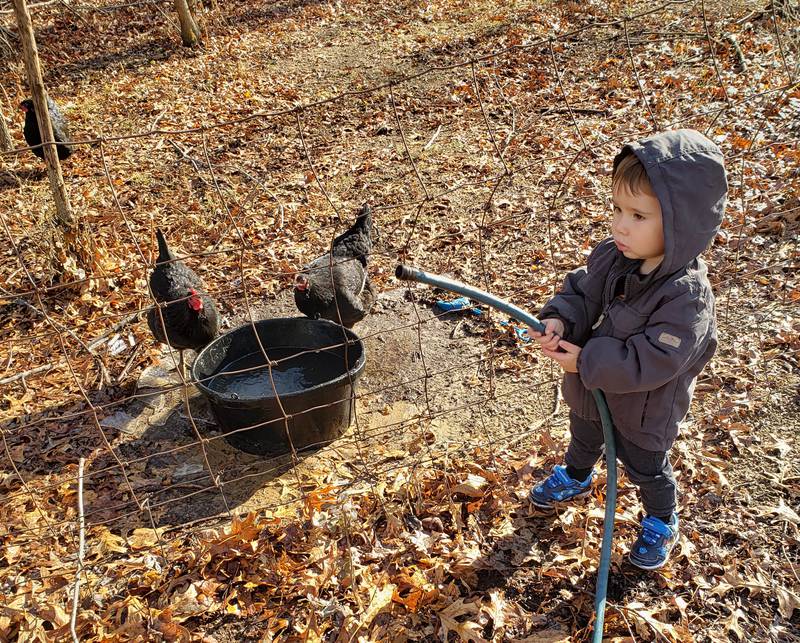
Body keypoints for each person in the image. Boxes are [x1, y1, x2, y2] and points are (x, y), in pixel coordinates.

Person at [528, 129, 727, 570]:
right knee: (583, 436)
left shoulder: (685, 297)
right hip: (590, 389)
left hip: (645, 409)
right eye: (617, 209)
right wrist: (561, 318)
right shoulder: (615, 255)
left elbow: (654, 359)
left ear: (682, 222)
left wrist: (586, 360)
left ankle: (661, 518)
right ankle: (577, 476)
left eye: (639, 215)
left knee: (646, 467)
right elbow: (582, 292)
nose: (620, 224)